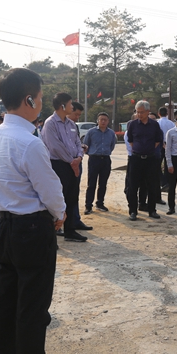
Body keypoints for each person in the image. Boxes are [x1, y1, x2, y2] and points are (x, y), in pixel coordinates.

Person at [0, 67, 69, 354]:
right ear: (29, 100)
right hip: (32, 229)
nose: (41, 103)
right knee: (32, 305)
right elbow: (49, 190)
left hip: (6, 226)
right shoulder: (29, 143)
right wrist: (59, 214)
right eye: (40, 98)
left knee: (6, 298)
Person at [42, 93, 87, 242]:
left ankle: (70, 231)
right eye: (70, 104)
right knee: (57, 198)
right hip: (59, 165)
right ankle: (52, 233)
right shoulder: (50, 124)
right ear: (62, 106)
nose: (72, 107)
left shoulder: (71, 124)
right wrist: (71, 161)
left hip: (73, 164)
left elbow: (77, 143)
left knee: (71, 197)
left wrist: (79, 157)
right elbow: (55, 147)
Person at [126, 100, 163, 221]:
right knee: (133, 185)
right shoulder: (132, 124)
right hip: (136, 158)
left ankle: (152, 210)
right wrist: (139, 149)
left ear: (148, 112)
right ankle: (133, 211)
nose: (139, 114)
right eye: (137, 112)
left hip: (150, 159)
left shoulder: (154, 125)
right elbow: (131, 140)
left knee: (152, 185)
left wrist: (148, 149)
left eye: (141, 112)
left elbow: (157, 140)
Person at [59, 101, 92, 235]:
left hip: (76, 163)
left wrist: (80, 152)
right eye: (76, 114)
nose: (77, 117)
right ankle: (59, 223)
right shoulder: (55, 125)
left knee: (74, 194)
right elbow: (58, 147)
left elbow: (76, 143)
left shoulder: (73, 126)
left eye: (79, 115)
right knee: (61, 195)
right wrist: (71, 159)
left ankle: (74, 220)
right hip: (63, 165)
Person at [83, 112, 116, 214]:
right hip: (94, 160)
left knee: (103, 183)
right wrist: (91, 153)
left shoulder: (111, 133)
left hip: (105, 160)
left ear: (108, 121)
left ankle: (100, 203)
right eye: (101, 119)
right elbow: (85, 145)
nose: (103, 121)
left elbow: (112, 146)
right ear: (97, 121)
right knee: (91, 184)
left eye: (105, 120)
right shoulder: (91, 132)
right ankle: (88, 206)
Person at [157, 107, 175, 191]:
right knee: (168, 163)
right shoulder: (171, 123)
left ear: (158, 114)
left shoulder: (157, 123)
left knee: (157, 164)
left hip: (159, 144)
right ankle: (167, 182)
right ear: (167, 114)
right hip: (170, 144)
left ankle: (162, 181)